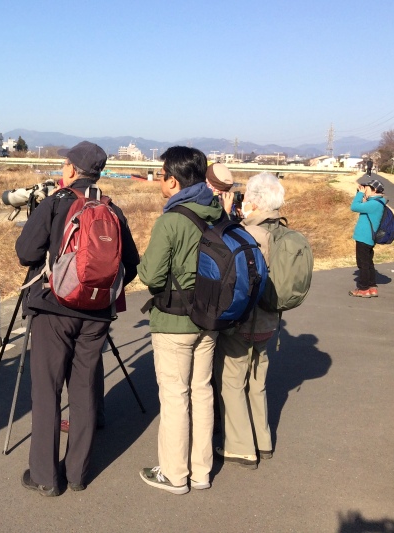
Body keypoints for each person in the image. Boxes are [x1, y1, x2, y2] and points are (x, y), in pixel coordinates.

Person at [15, 141, 140, 496]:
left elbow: (26, 253)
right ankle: (76, 474)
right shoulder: (112, 210)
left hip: (54, 309)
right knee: (84, 390)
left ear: (70, 169)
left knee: (47, 391)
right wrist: (101, 290)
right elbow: (131, 264)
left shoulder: (56, 202)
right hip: (98, 315)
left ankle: (43, 476)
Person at [138, 146, 223, 495]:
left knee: (175, 396)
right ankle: (201, 472)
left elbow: (151, 276)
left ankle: (174, 475)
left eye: (161, 175)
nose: (159, 180)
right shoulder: (217, 213)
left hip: (174, 321)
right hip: (211, 318)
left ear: (173, 181)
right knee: (202, 393)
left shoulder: (172, 220)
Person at [213, 173, 284, 470]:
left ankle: (241, 447)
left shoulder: (249, 234)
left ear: (252, 201)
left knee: (231, 380)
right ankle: (263, 440)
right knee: (257, 382)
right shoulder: (283, 231)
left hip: (246, 322)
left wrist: (228, 216)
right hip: (271, 322)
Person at [349, 178, 387, 297]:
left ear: (374, 190)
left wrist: (360, 194)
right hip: (368, 237)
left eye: (367, 189)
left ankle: (363, 289)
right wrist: (361, 194)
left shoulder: (374, 204)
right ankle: (372, 287)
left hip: (364, 237)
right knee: (368, 263)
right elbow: (361, 205)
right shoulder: (376, 202)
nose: (365, 190)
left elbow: (354, 207)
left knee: (363, 264)